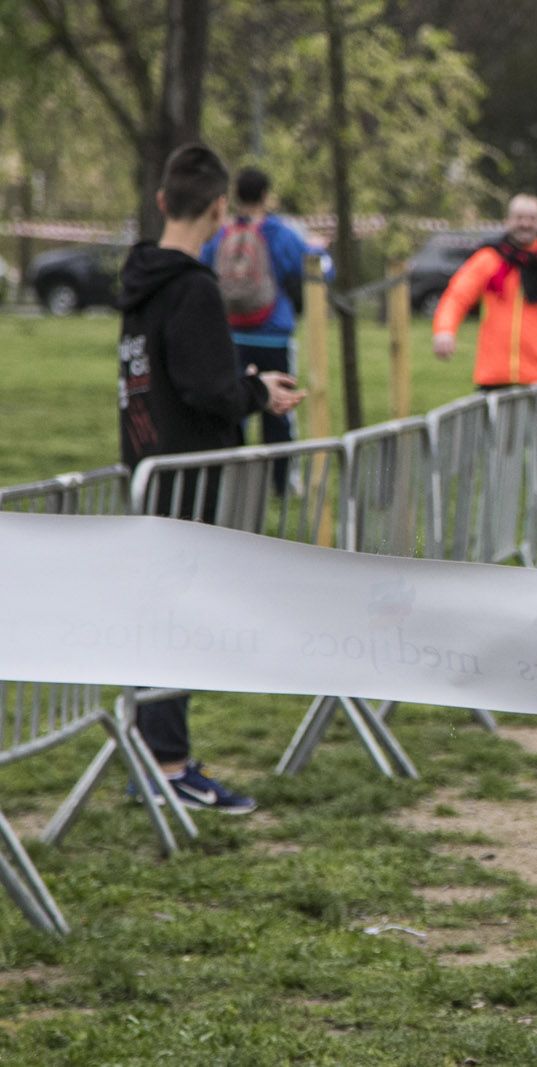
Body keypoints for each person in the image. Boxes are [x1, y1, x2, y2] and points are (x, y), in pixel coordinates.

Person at [116, 143, 305, 813]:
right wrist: (257, 395)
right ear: (220, 209)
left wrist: (247, 383)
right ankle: (168, 766)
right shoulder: (193, 289)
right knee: (173, 620)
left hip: (148, 468)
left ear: (164, 200)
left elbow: (171, 378)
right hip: (183, 479)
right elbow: (208, 390)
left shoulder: (140, 279)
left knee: (159, 616)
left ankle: (155, 757)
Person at [200, 167, 316, 494]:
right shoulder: (279, 232)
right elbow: (313, 264)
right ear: (265, 195)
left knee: (236, 406)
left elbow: (205, 266)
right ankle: (283, 482)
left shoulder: (222, 234)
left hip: (231, 336)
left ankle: (231, 481)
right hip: (273, 335)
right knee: (279, 407)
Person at [432, 194, 537, 387]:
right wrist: (444, 330)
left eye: (532, 218)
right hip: (494, 377)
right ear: (507, 221)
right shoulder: (489, 259)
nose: (525, 224)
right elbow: (457, 296)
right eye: (519, 218)